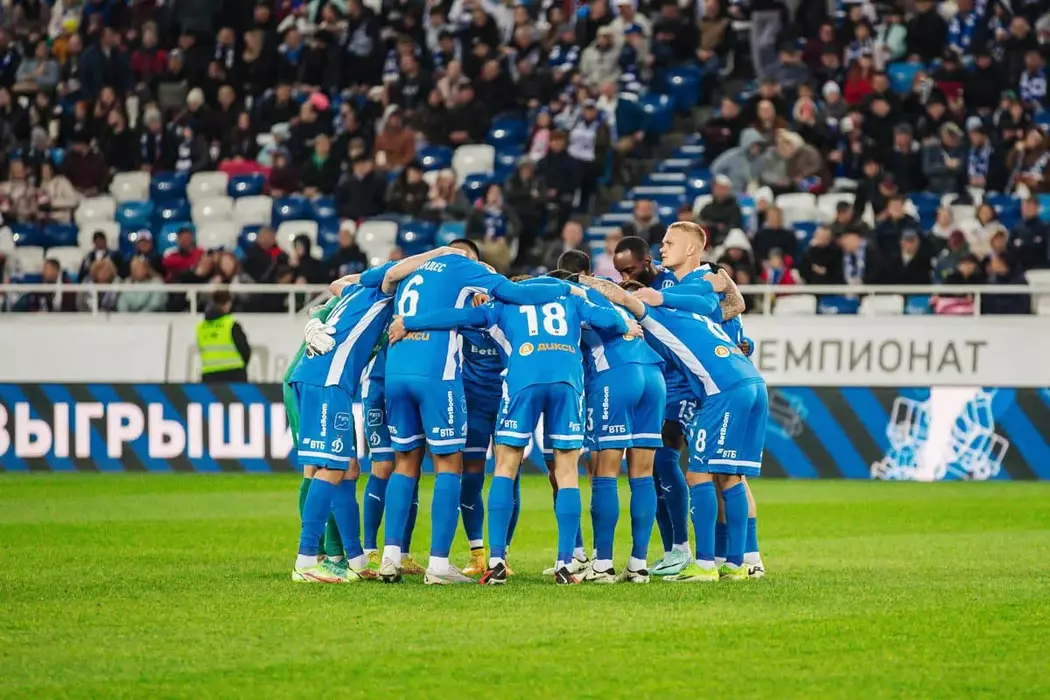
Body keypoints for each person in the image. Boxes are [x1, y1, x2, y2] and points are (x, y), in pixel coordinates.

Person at [387, 269, 631, 586]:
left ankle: (497, 561)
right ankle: (565, 563)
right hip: (567, 381)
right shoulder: (568, 297)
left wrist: (410, 322)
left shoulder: (506, 302)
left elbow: (459, 316)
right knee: (567, 470)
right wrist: (614, 315)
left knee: (506, 465)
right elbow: (611, 321)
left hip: (523, 379)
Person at [376, 247, 576, 584]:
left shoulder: (416, 269)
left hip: (396, 369)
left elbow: (386, 278)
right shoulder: (466, 270)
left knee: (405, 462)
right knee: (450, 465)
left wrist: (407, 322)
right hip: (437, 374)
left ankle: (389, 557)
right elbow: (514, 292)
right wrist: (565, 286)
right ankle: (439, 565)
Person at [582, 243, 767, 583]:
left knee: (697, 472)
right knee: (727, 474)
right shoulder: (695, 305)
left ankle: (700, 558)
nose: (624, 278)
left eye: (669, 243)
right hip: (740, 381)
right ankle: (736, 561)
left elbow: (626, 299)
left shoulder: (661, 302)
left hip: (709, 389)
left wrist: (577, 282)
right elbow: (718, 303)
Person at [290, 247, 463, 583]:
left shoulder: (356, 291)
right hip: (329, 379)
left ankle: (356, 559)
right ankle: (306, 560)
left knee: (348, 468)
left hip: (321, 377)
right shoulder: (382, 293)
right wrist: (441, 252)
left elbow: (339, 284)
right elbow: (391, 274)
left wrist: (315, 316)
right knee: (330, 468)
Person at [196, 290, 251, 383]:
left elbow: (201, 348)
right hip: (234, 374)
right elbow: (244, 350)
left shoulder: (201, 327)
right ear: (227, 304)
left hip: (209, 375)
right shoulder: (230, 324)